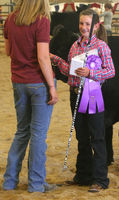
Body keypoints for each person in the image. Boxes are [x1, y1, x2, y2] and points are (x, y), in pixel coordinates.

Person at [50, 8, 115, 192]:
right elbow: (70, 71)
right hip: (75, 93)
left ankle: (100, 179)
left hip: (92, 92)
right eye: (81, 23)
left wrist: (91, 73)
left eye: (87, 24)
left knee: (97, 136)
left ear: (95, 26)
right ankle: (83, 175)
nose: (83, 27)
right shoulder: (74, 46)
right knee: (81, 136)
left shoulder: (101, 46)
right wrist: (56, 60)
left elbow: (110, 71)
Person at [3, 0, 58, 193]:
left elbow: (8, 51)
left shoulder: (9, 19)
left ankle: (10, 181)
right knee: (38, 135)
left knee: (22, 132)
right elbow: (42, 57)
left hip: (18, 82)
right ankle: (36, 184)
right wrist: (52, 86)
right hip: (38, 83)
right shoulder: (41, 21)